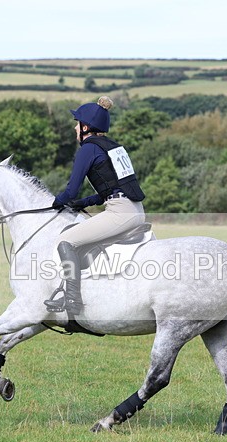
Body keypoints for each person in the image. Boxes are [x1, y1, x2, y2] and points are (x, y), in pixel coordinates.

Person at [45, 96, 146, 315]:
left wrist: (58, 202)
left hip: (120, 212)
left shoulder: (88, 149)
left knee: (65, 240)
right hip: (135, 210)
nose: (74, 127)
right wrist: (82, 203)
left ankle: (72, 300)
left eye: (77, 123)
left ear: (86, 127)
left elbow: (71, 190)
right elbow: (106, 192)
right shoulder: (114, 147)